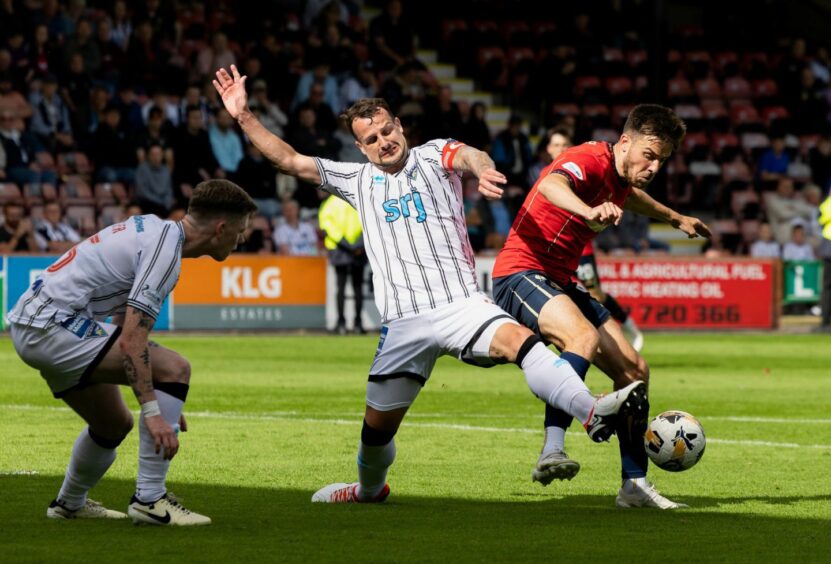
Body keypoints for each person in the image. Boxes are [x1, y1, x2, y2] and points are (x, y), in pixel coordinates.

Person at [213, 64, 647, 504]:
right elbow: (288, 160)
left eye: (387, 130)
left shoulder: (433, 154)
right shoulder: (356, 180)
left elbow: (469, 155)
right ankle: (367, 490)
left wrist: (484, 169)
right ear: (361, 148)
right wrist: (244, 116)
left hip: (461, 306)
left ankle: (591, 412)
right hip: (403, 324)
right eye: (372, 139)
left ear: (399, 125)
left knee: (522, 342)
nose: (384, 142)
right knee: (375, 432)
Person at [492, 104, 711, 509]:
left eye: (662, 160)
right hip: (520, 272)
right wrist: (588, 209)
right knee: (581, 337)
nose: (655, 166)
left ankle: (633, 485)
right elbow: (551, 186)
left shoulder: (620, 177)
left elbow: (633, 198)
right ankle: (552, 449)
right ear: (625, 141)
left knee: (634, 371)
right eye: (650, 155)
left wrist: (675, 217)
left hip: (560, 278)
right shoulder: (587, 158)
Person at [7, 179, 257, 525]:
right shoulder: (165, 250)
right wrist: (156, 410)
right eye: (240, 230)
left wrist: (162, 397)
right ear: (220, 228)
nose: (241, 239)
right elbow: (131, 342)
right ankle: (150, 500)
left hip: (36, 322)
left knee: (113, 423)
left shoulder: (157, 231)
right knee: (176, 368)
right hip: (52, 326)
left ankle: (68, 504)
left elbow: (122, 317)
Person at [544, 128, 645, 351]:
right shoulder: (546, 174)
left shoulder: (581, 169)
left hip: (580, 249)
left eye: (564, 144)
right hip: (553, 249)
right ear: (548, 149)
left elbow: (625, 194)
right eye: (556, 145)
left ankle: (628, 326)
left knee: (595, 293)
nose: (560, 149)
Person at [319, 192, 367, 334]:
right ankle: (358, 323)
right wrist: (358, 244)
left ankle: (341, 323)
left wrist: (344, 244)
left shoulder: (329, 203)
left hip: (340, 249)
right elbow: (369, 222)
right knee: (357, 287)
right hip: (358, 248)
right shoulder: (358, 198)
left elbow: (327, 227)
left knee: (341, 287)